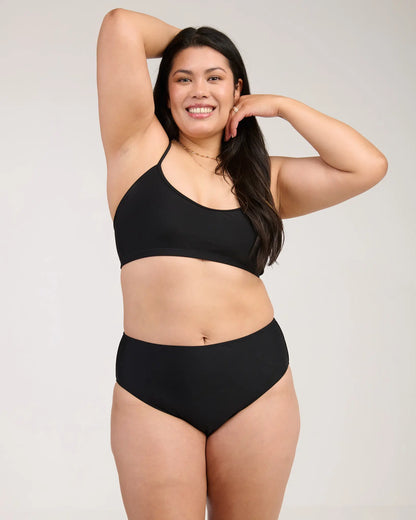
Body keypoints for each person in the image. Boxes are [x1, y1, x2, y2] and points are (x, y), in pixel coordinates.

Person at [96, 7, 388, 520]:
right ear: (165, 91)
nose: (199, 90)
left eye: (215, 78)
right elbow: (121, 24)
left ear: (238, 91)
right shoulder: (136, 149)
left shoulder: (265, 181)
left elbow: (367, 166)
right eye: (183, 78)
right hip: (152, 386)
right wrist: (191, 39)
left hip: (256, 383)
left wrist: (281, 106)